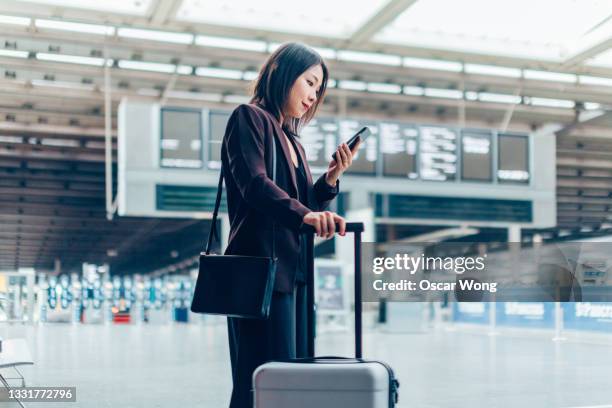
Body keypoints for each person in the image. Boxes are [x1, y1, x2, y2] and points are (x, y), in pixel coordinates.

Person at [220, 42, 361, 408]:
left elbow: (304, 206)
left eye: (319, 90)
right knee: (261, 382)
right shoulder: (249, 118)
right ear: (282, 71)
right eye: (310, 82)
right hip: (261, 276)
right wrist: (305, 215)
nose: (313, 96)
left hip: (294, 276)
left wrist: (331, 178)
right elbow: (254, 184)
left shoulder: (293, 141)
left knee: (290, 381)